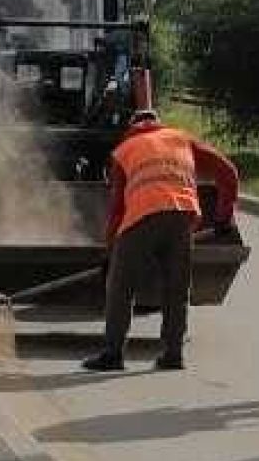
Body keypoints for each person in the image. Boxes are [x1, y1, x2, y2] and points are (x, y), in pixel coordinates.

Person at [82, 107, 239, 375]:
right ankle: (173, 354)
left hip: (142, 215)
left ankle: (113, 353)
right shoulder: (181, 139)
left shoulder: (126, 148)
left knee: (121, 286)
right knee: (176, 288)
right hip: (182, 216)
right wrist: (224, 217)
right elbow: (228, 171)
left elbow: (118, 207)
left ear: (133, 126)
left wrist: (111, 252)